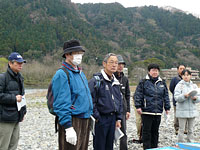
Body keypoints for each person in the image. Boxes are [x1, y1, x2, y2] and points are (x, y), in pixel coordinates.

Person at [52, 40, 93, 150]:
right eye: (76, 53)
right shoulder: (62, 74)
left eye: (81, 53)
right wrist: (68, 127)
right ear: (67, 55)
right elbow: (61, 103)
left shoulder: (80, 73)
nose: (79, 56)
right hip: (73, 120)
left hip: (85, 119)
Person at [89, 53, 123, 150]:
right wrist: (97, 117)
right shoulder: (96, 81)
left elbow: (119, 100)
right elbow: (90, 100)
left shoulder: (115, 82)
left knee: (109, 146)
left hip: (113, 119)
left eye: (116, 63)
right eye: (111, 62)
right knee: (99, 146)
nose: (114, 65)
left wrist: (118, 118)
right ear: (104, 64)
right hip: (101, 119)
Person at [133, 64, 170, 150]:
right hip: (147, 111)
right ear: (149, 71)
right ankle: (147, 147)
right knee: (146, 132)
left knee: (155, 131)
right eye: (153, 70)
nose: (155, 72)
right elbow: (138, 94)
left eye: (156, 70)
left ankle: (154, 148)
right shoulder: (143, 82)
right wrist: (138, 106)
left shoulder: (162, 82)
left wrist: (167, 107)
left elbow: (166, 96)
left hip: (158, 111)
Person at [0, 52, 26, 150]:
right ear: (10, 63)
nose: (21, 65)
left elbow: (22, 97)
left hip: (16, 117)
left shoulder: (20, 78)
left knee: (13, 146)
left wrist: (23, 112)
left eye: (22, 63)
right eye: (18, 63)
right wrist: (14, 98)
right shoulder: (2, 78)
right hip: (5, 119)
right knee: (3, 146)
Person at [174, 69, 200, 143]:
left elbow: (198, 97)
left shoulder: (194, 86)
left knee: (191, 129)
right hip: (182, 111)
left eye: (187, 75)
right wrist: (184, 96)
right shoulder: (179, 86)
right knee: (181, 129)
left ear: (190, 76)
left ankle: (190, 142)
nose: (186, 77)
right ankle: (180, 143)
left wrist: (195, 98)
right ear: (182, 76)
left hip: (192, 110)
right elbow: (176, 97)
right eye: (184, 75)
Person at [114, 55, 130, 150]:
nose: (120, 66)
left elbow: (127, 95)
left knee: (123, 132)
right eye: (118, 64)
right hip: (112, 109)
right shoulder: (110, 77)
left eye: (122, 64)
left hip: (122, 110)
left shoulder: (125, 79)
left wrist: (128, 110)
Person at [169, 64, 186, 135]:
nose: (182, 70)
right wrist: (177, 95)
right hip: (177, 100)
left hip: (186, 100)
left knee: (186, 114)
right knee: (177, 114)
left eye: (183, 68)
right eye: (180, 68)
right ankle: (177, 128)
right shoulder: (175, 79)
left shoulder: (186, 77)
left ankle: (185, 128)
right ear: (178, 70)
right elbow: (171, 88)